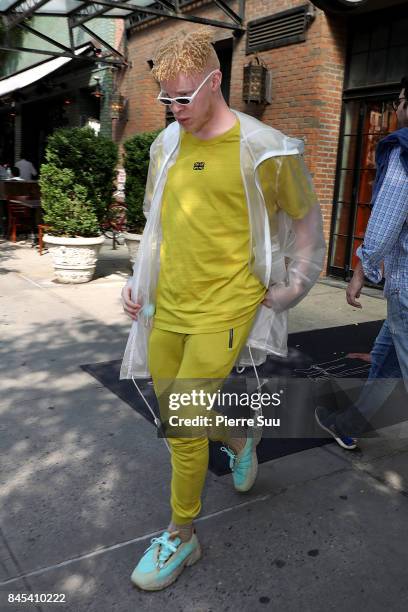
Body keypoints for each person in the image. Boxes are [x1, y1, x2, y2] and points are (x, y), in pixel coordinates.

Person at [120, 29, 326, 591]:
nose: (174, 109)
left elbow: (306, 223)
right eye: (166, 99)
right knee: (176, 415)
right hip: (169, 305)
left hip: (227, 305)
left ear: (216, 82)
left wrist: (293, 288)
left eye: (184, 97)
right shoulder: (166, 145)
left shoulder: (265, 147)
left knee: (183, 422)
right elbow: (157, 224)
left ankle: (181, 537)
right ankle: (238, 439)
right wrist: (139, 281)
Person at [316, 75, 408, 447]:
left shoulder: (404, 151)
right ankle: (348, 424)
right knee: (385, 360)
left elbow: (386, 222)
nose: (398, 107)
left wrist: (360, 270)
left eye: (402, 99)